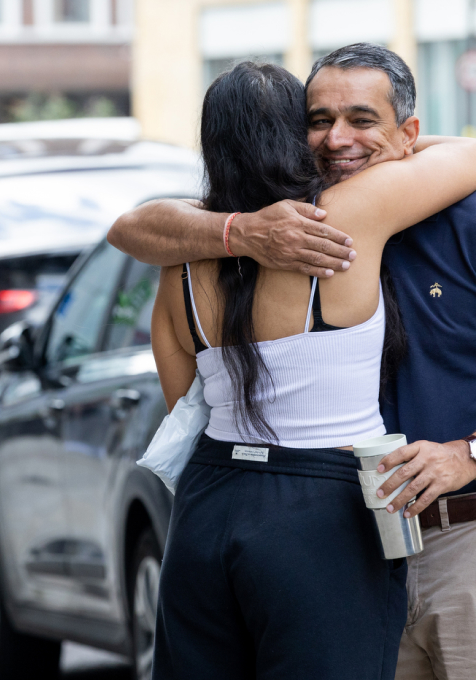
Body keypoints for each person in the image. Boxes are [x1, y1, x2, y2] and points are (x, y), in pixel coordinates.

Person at [110, 43, 476, 680]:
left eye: (362, 122)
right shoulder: (334, 221)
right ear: (290, 133)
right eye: (317, 121)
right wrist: (245, 231)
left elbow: (185, 404)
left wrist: (468, 455)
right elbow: (131, 226)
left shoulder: (182, 268)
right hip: (334, 521)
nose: (336, 141)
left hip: (225, 504)